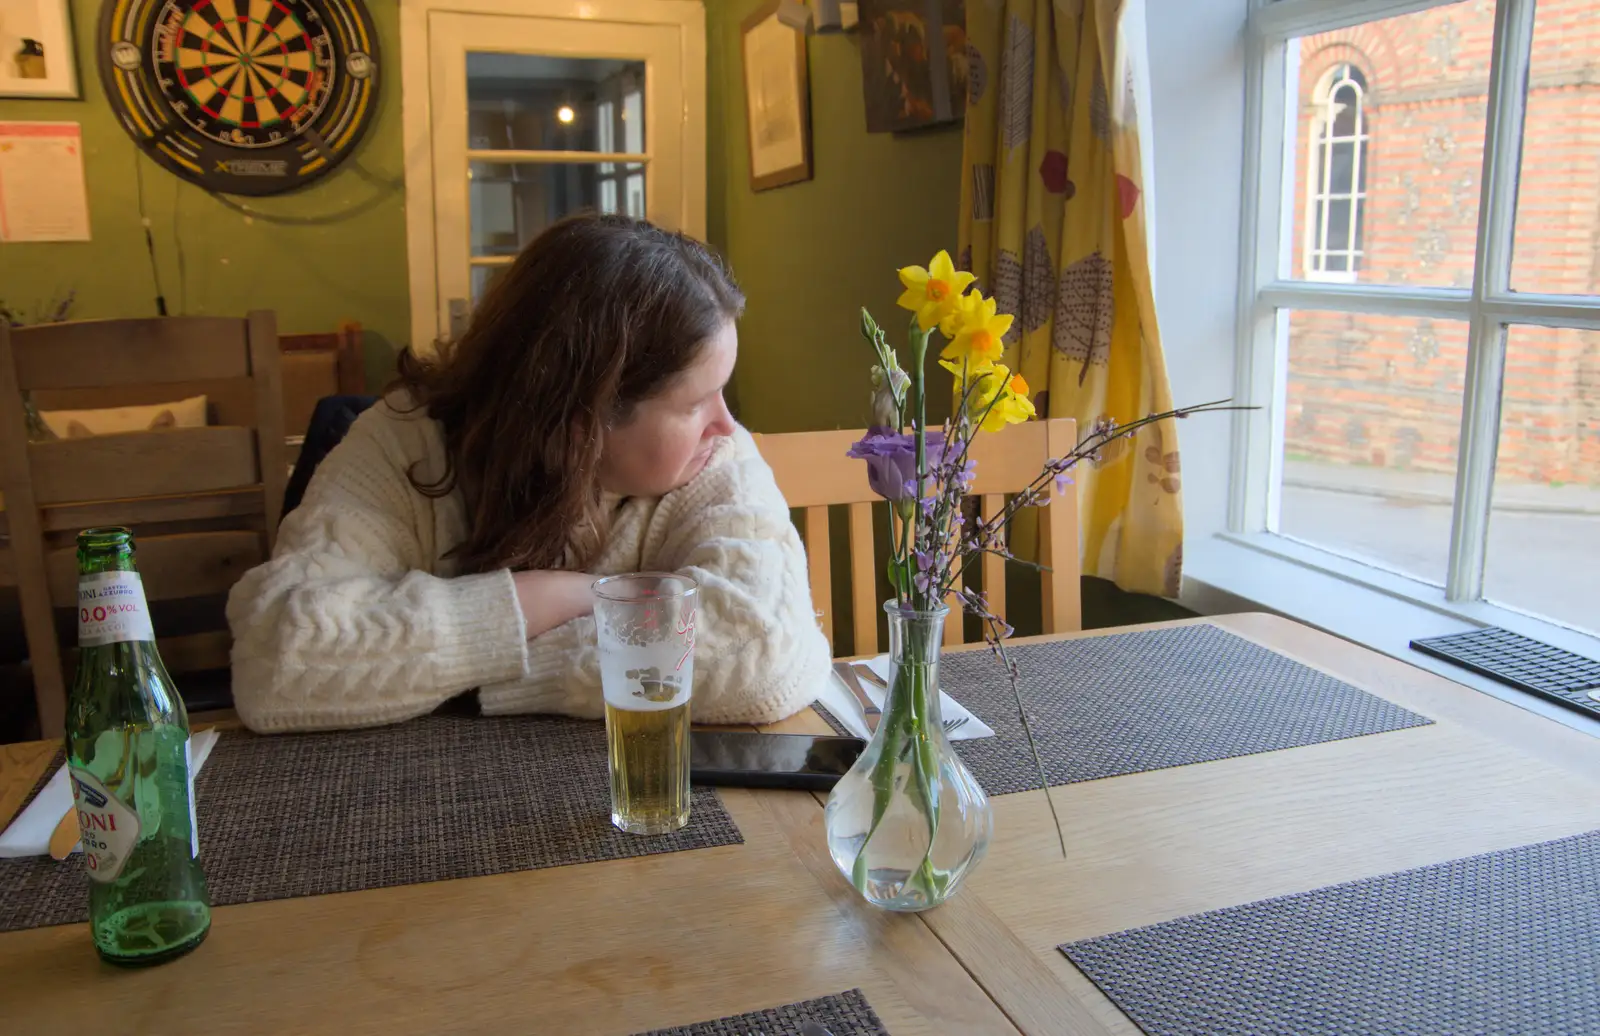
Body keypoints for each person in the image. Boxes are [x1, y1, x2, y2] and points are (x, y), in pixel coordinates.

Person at [227, 215, 831, 732]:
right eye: (695, 402)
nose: (727, 424)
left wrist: (456, 669)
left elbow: (763, 652)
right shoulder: (399, 443)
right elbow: (275, 659)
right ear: (582, 422)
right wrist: (545, 599)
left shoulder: (716, 456)